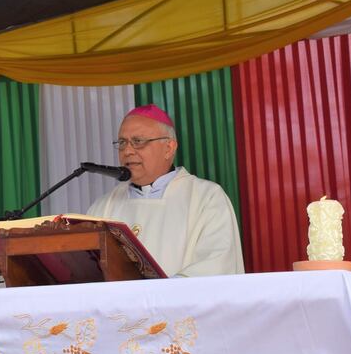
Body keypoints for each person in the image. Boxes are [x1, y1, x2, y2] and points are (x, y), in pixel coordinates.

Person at [87, 104, 244, 278]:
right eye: (122, 143)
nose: (128, 151)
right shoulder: (103, 207)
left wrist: (155, 299)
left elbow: (216, 265)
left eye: (138, 142)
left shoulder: (206, 199)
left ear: (169, 148)